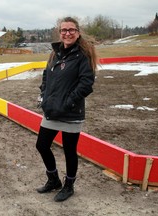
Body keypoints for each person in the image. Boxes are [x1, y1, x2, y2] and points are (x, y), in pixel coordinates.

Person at [36, 16, 97, 202]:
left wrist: (67, 103)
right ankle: (53, 180)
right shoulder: (55, 53)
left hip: (71, 111)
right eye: (64, 30)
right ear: (59, 32)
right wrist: (44, 95)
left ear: (77, 33)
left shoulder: (83, 55)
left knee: (69, 150)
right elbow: (47, 76)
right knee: (42, 145)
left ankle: (69, 185)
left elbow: (86, 84)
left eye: (71, 30)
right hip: (52, 109)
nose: (67, 33)